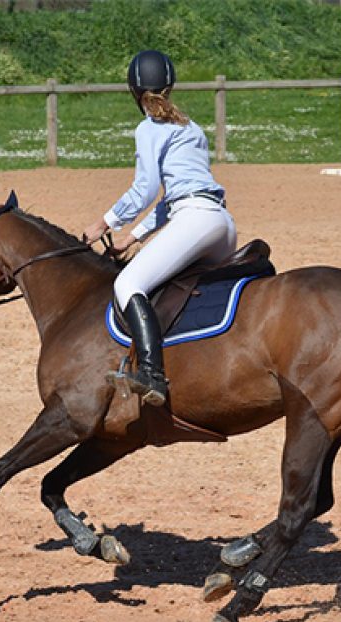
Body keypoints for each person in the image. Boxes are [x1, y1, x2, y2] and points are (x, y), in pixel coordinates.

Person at [81, 50, 237, 406]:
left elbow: (146, 190)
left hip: (195, 220)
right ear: (170, 86)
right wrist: (131, 238)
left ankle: (152, 374)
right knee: (168, 285)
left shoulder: (149, 127)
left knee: (128, 283)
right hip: (222, 226)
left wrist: (103, 223)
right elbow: (171, 200)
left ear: (133, 90)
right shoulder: (190, 127)